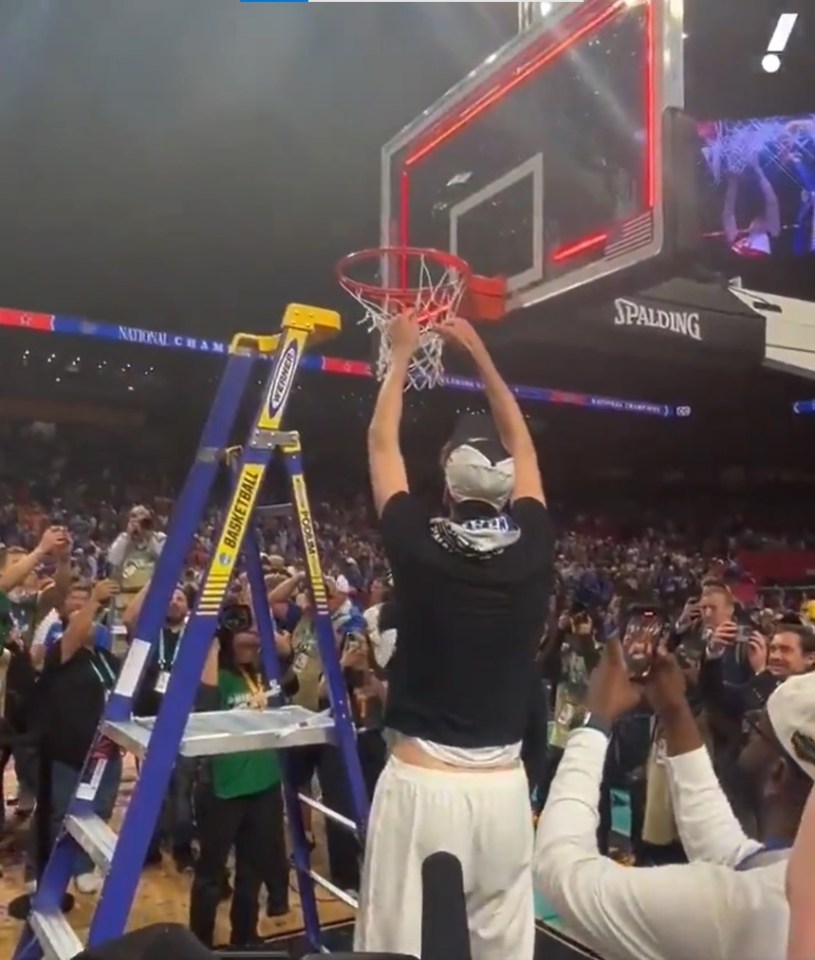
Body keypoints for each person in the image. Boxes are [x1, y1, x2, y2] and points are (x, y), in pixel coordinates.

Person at [354, 313, 553, 960]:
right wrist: (483, 359)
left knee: (395, 947)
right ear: (507, 493)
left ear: (446, 484)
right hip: (502, 790)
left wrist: (402, 358)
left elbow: (382, 444)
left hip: (423, 787)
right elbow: (523, 448)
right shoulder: (532, 549)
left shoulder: (419, 545)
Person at [534, 636, 815, 960]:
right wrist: (674, 710)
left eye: (757, 730)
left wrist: (596, 719)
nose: (747, 737)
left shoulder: (743, 907)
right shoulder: (783, 873)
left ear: (777, 773)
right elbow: (734, 856)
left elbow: (561, 872)